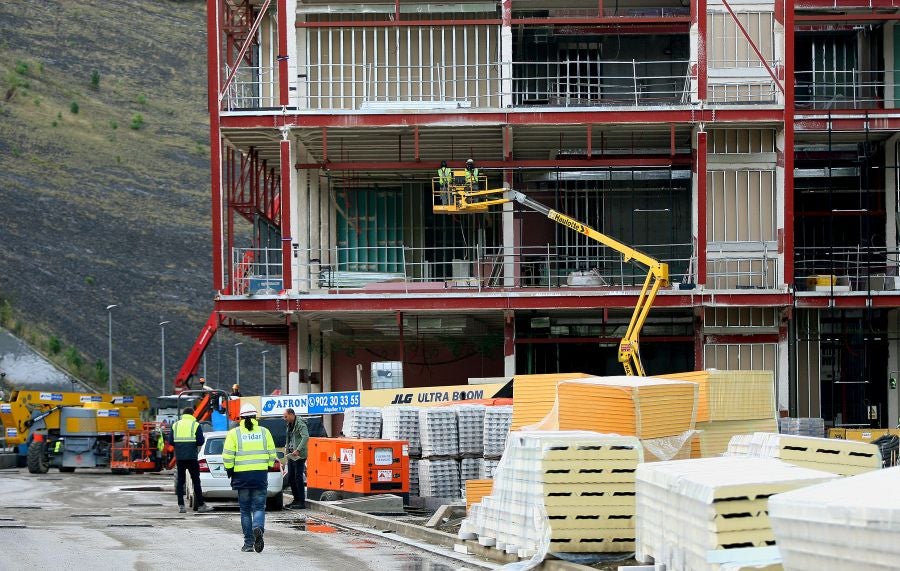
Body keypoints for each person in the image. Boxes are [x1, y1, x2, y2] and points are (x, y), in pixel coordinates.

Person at [223, 403, 277, 553]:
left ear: (240, 417)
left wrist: (230, 470)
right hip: (259, 475)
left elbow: (227, 456)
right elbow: (272, 454)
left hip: (242, 477)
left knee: (245, 510)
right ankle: (258, 527)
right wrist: (268, 466)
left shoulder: (234, 433)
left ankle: (248, 544)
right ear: (255, 417)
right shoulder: (264, 432)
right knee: (259, 507)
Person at [169, 407, 213, 513]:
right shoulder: (195, 425)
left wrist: (180, 446)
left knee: (180, 481)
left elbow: (171, 441)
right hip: (192, 457)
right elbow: (200, 441)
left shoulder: (175, 425)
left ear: (183, 414)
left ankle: (181, 506)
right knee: (196, 481)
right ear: (192, 414)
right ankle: (201, 505)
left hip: (180, 457)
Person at [282, 408, 309, 509]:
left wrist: (298, 449)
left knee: (298, 478)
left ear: (291, 414)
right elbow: (289, 437)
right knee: (291, 478)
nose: (284, 418)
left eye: (286, 416)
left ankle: (301, 501)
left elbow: (306, 437)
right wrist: (286, 447)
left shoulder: (300, 424)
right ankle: (296, 499)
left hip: (299, 455)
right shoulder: (289, 424)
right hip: (291, 455)